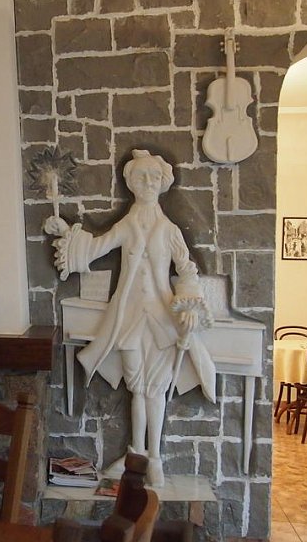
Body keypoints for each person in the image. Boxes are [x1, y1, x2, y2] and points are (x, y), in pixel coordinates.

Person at [44, 149, 215, 486]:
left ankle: (155, 459)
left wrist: (188, 306)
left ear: (163, 183)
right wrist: (65, 232)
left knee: (157, 388)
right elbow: (96, 247)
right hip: (130, 319)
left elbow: (186, 270)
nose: (148, 183)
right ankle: (136, 454)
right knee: (137, 388)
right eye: (141, 177)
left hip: (162, 320)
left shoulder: (169, 230)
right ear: (131, 184)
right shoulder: (127, 225)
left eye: (154, 177)